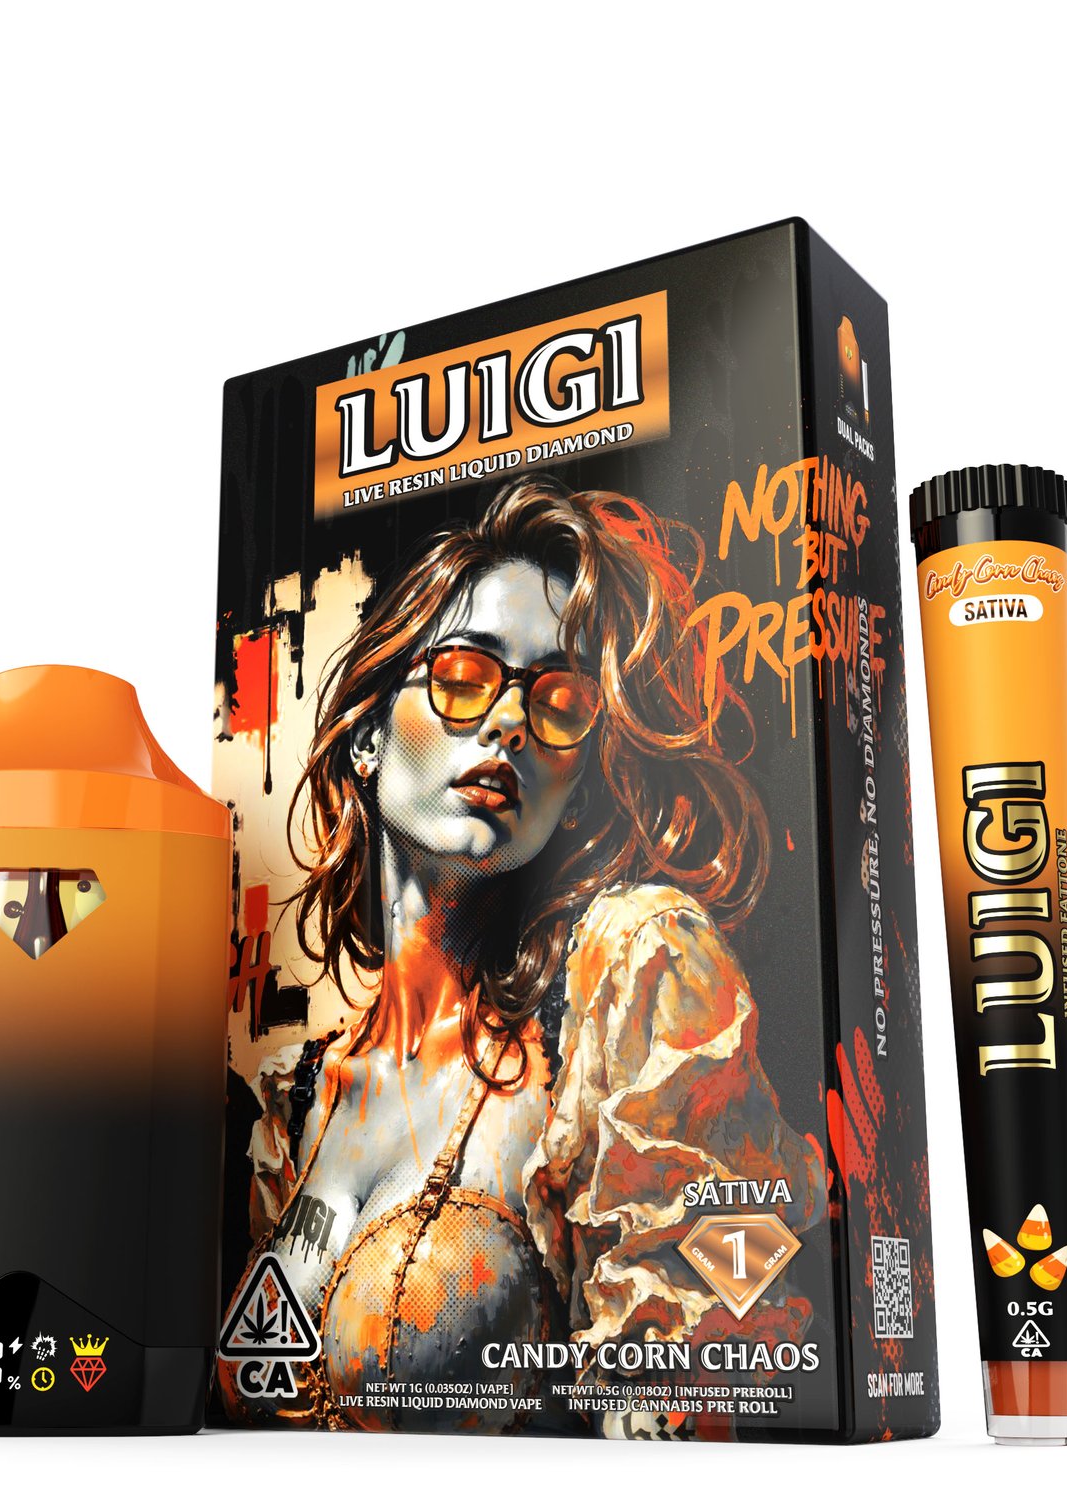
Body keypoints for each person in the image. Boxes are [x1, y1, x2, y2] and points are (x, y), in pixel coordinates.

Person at [218, 474, 827, 1435]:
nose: (508, 720)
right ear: (368, 734)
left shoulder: (635, 977)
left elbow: (714, 1351)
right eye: (464, 677)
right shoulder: (290, 1104)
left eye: (559, 701)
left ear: (575, 783)